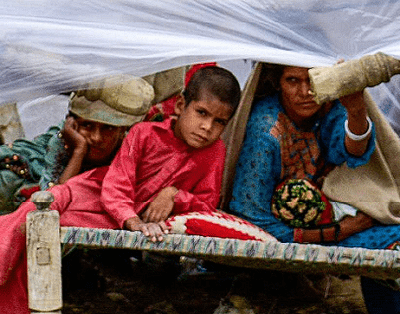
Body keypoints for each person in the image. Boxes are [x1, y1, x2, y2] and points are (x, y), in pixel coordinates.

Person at [229, 63, 400, 314]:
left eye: (312, 79)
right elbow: (256, 221)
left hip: (350, 205)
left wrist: (356, 108)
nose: (305, 91)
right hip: (309, 234)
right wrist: (339, 230)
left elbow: (351, 151)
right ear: (277, 83)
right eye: (293, 81)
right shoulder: (265, 132)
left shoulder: (327, 102)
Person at [0, 66, 241, 314]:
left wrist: (174, 195)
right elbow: (116, 186)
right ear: (180, 105)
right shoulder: (144, 133)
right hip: (94, 194)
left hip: (109, 219)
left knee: (45, 235)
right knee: (32, 218)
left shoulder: (214, 152)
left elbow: (207, 204)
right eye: (201, 113)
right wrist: (132, 221)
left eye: (219, 121)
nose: (207, 127)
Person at [0, 75, 155, 213]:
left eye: (108, 128)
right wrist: (79, 151)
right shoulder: (61, 141)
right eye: (87, 125)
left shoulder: (130, 146)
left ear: (122, 131)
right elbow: (51, 201)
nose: (96, 138)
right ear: (72, 125)